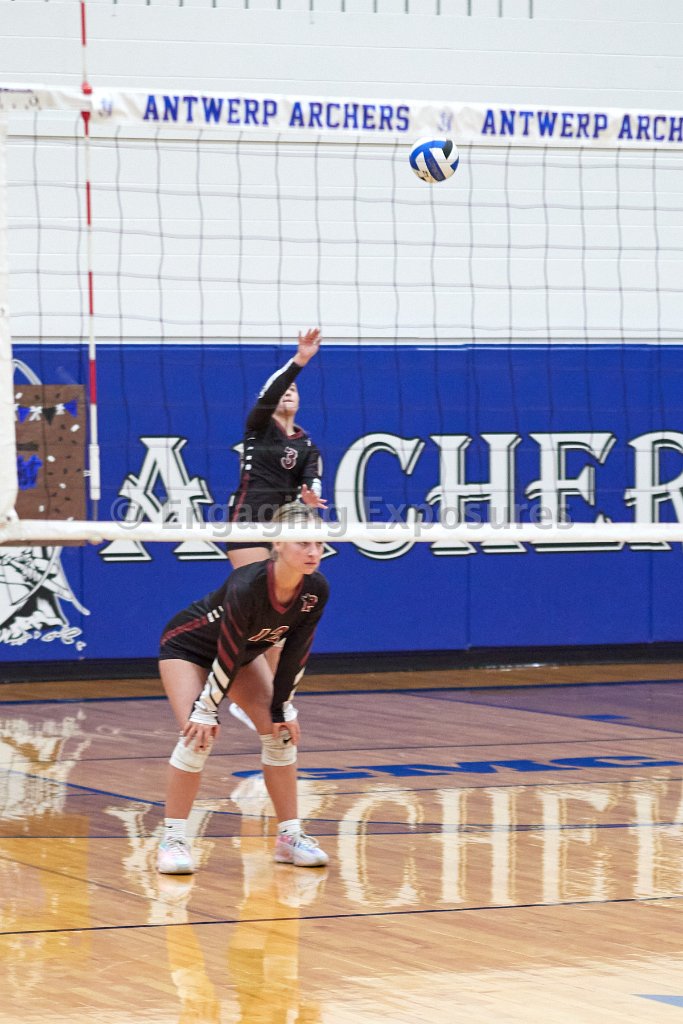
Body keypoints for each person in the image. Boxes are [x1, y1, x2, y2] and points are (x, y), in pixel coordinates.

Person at [157, 503, 330, 875]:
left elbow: (296, 650)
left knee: (280, 735)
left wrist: (283, 707)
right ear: (277, 544)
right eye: (303, 543)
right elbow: (228, 648)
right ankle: (173, 840)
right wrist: (206, 709)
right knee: (197, 737)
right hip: (188, 649)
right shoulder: (247, 584)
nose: (313, 552)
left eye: (319, 543)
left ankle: (289, 837)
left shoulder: (315, 590)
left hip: (242, 654)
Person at [226, 326, 327, 729]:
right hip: (248, 524)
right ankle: (250, 694)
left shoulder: (306, 444)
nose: (289, 394)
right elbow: (273, 390)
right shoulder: (258, 426)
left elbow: (312, 479)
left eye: (294, 391)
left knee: (280, 627)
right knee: (259, 613)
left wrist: (312, 495)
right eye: (285, 389)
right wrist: (300, 360)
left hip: (281, 532)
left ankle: (265, 701)